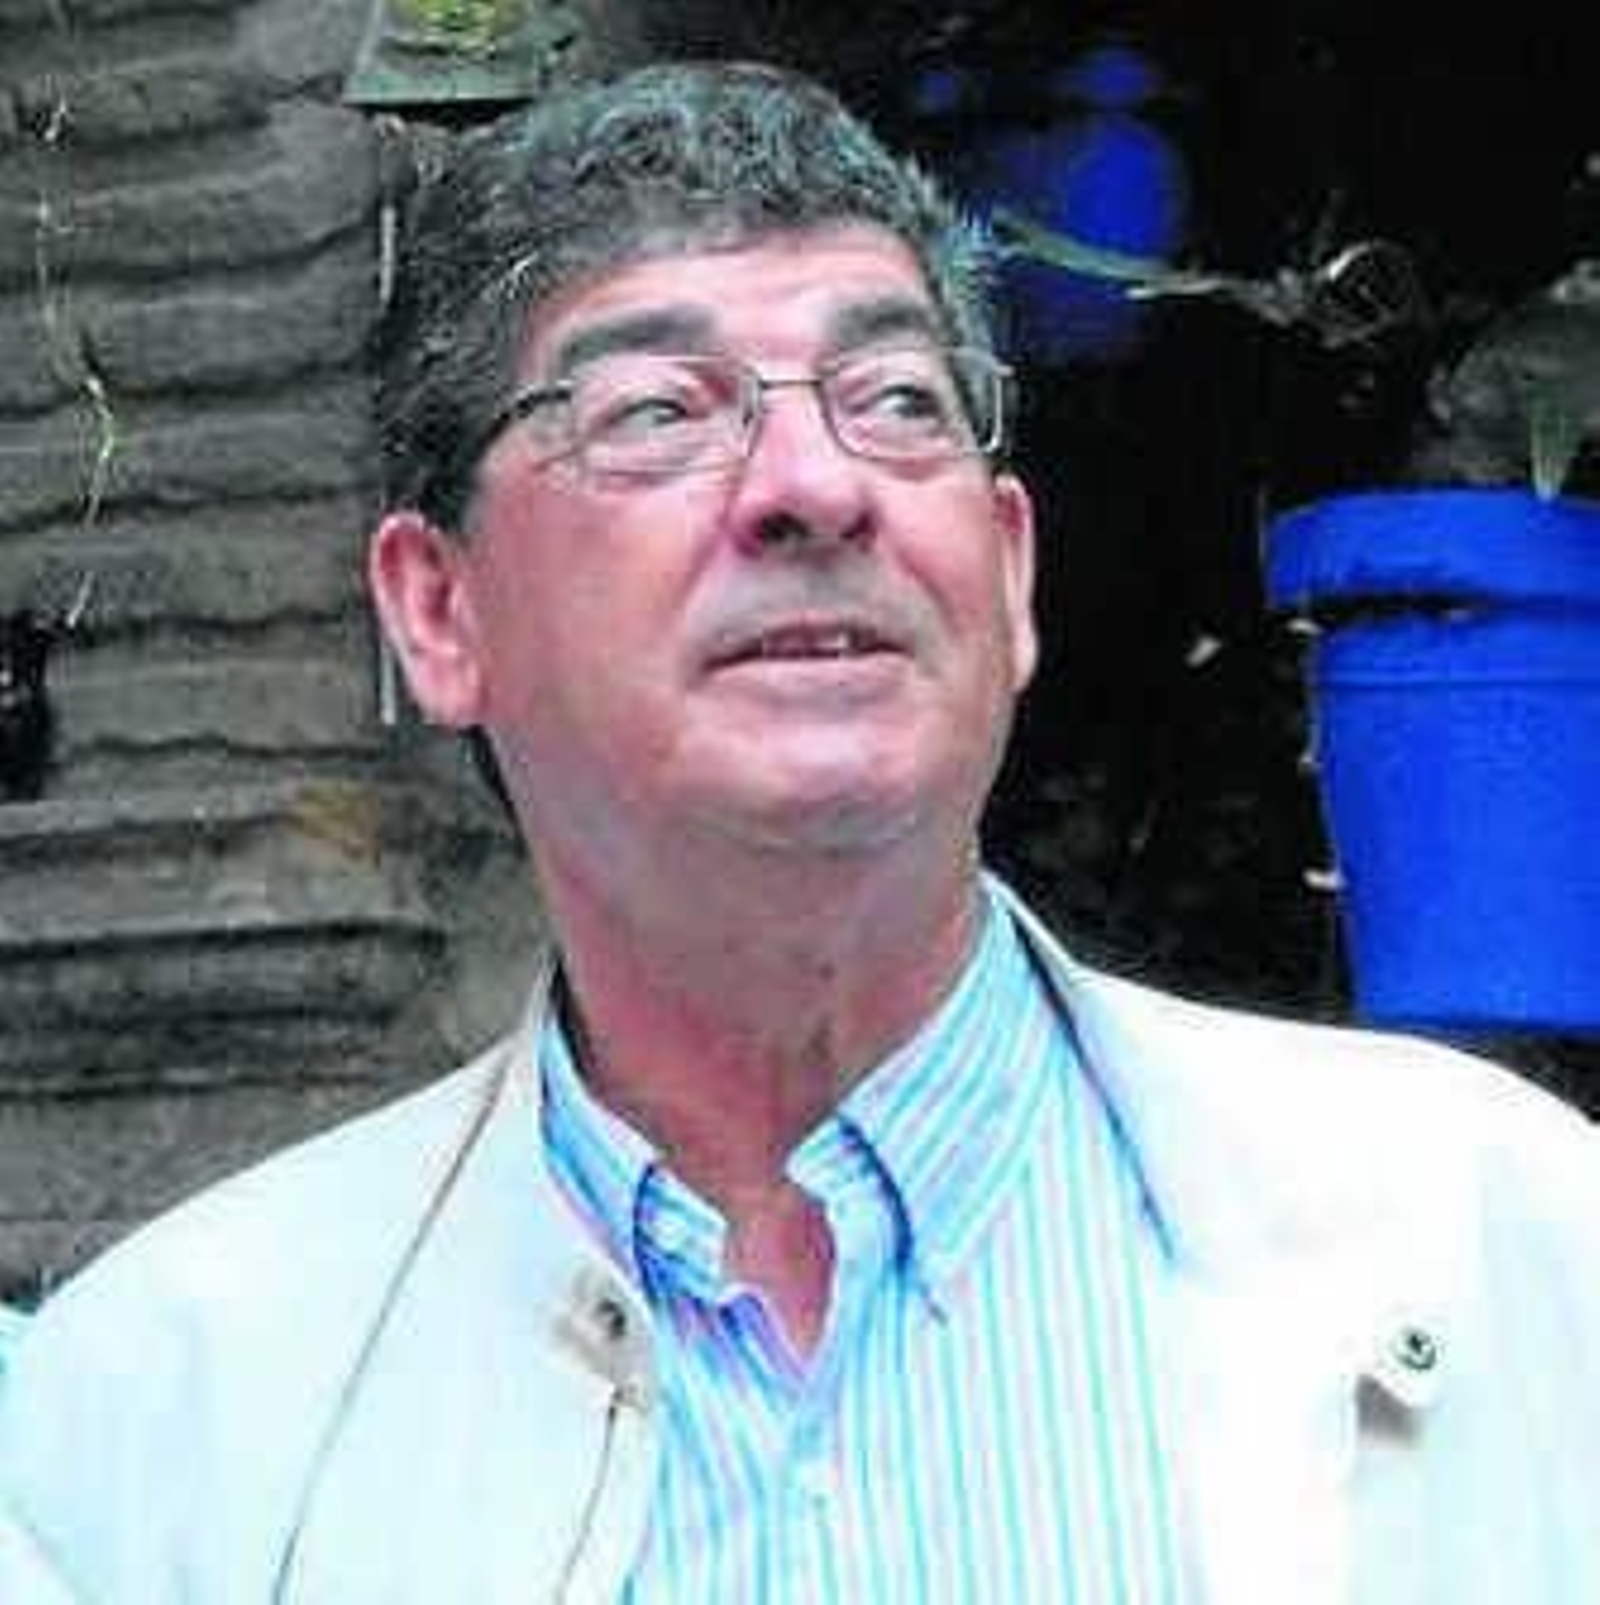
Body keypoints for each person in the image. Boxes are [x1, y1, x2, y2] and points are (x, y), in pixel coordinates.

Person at [3, 58, 1600, 1604]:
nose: (814, 486)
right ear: (439, 607)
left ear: (1010, 571)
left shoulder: (1506, 1240)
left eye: (895, 399)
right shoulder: (160, 1421)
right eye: (654, 410)